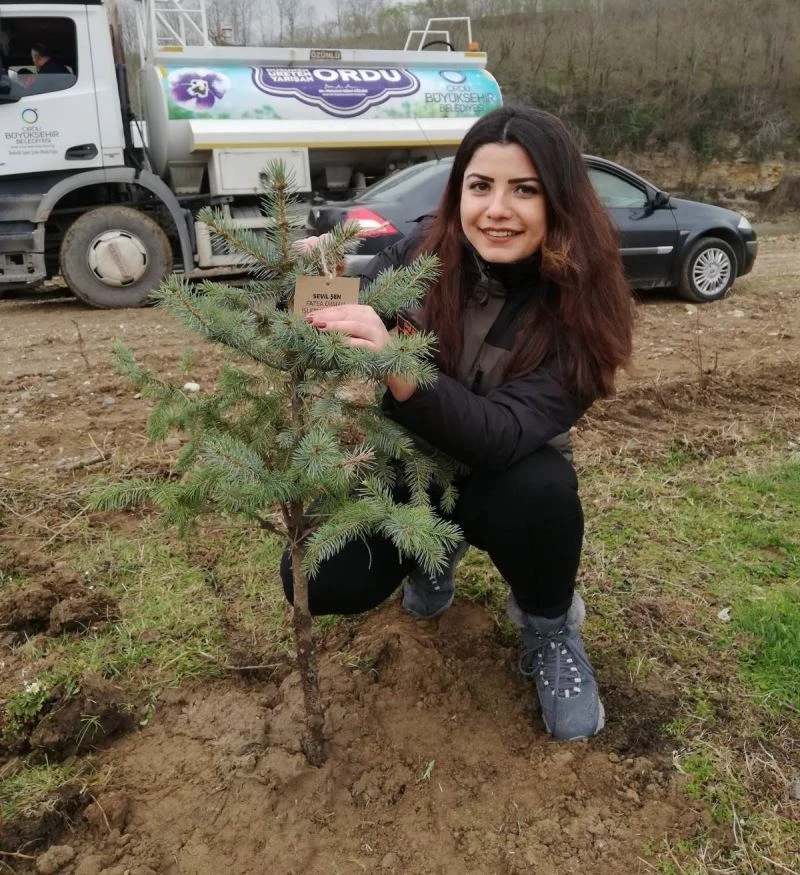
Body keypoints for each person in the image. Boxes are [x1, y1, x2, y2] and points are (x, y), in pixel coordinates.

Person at [282, 105, 634, 741]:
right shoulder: (423, 252)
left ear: (560, 201)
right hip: (411, 466)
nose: (496, 209)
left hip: (509, 478)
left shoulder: (585, 306)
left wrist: (395, 363)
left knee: (542, 493)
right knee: (314, 575)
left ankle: (550, 630)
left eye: (523, 189)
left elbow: (499, 437)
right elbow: (333, 316)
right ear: (459, 193)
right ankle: (433, 546)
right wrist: (309, 275)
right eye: (481, 186)